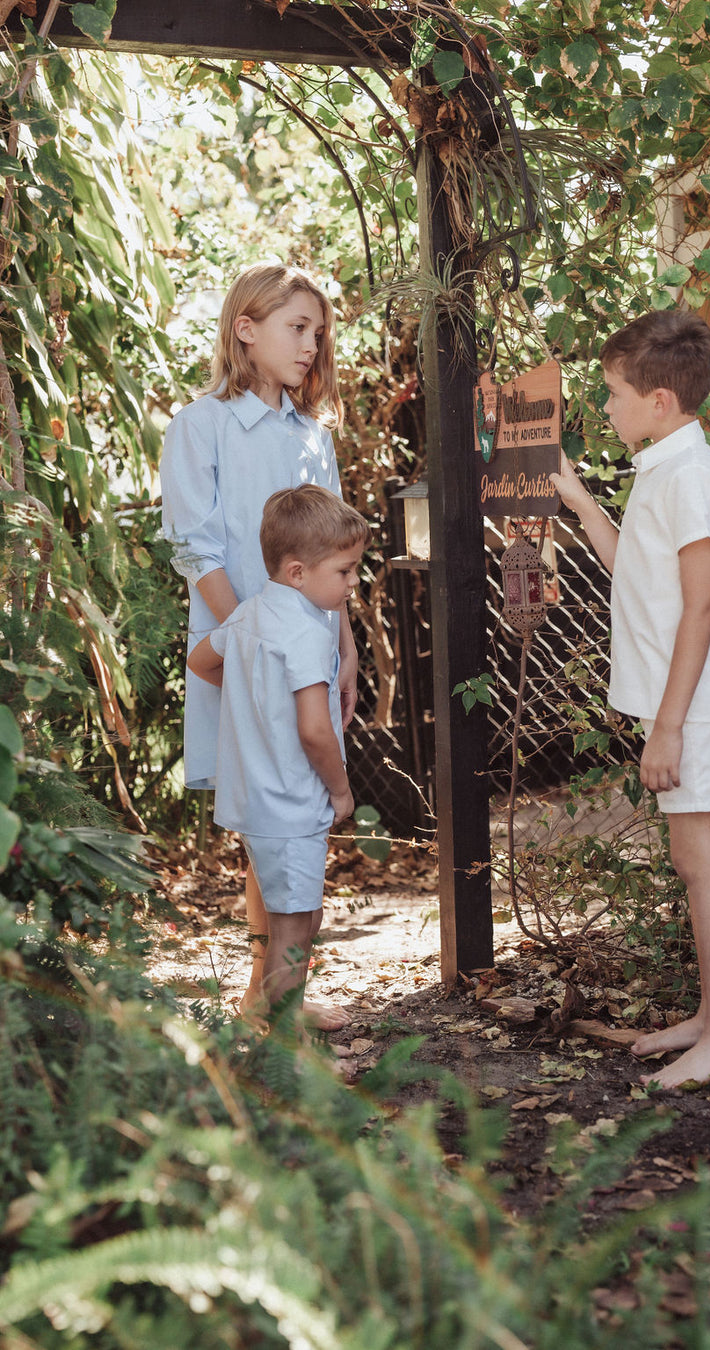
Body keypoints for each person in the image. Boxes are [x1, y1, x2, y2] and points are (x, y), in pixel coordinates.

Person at [550, 309, 710, 1089]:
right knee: (688, 854)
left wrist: (666, 728)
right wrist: (581, 505)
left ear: (659, 401)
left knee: (702, 861)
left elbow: (700, 609)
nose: (606, 408)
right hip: (679, 703)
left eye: (613, 393)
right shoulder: (666, 469)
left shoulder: (693, 481)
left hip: (692, 704)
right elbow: (635, 571)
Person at [160, 263, 357, 1028]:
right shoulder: (199, 425)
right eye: (295, 328)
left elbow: (333, 549)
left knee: (300, 808)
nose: (310, 345)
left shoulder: (314, 438)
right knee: (263, 818)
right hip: (237, 651)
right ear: (246, 328)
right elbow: (195, 547)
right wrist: (251, 638)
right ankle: (265, 992)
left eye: (317, 332)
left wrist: (342, 649)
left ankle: (276, 991)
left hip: (309, 656)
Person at [186, 485, 370, 1021]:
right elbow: (315, 730)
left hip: (255, 797)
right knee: (293, 928)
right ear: (296, 572)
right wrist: (341, 788)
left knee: (300, 917)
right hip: (290, 801)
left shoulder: (249, 616)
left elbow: (202, 661)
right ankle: (286, 1051)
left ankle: (265, 1012)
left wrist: (250, 687)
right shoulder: (307, 634)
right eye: (345, 571)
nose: (353, 583)